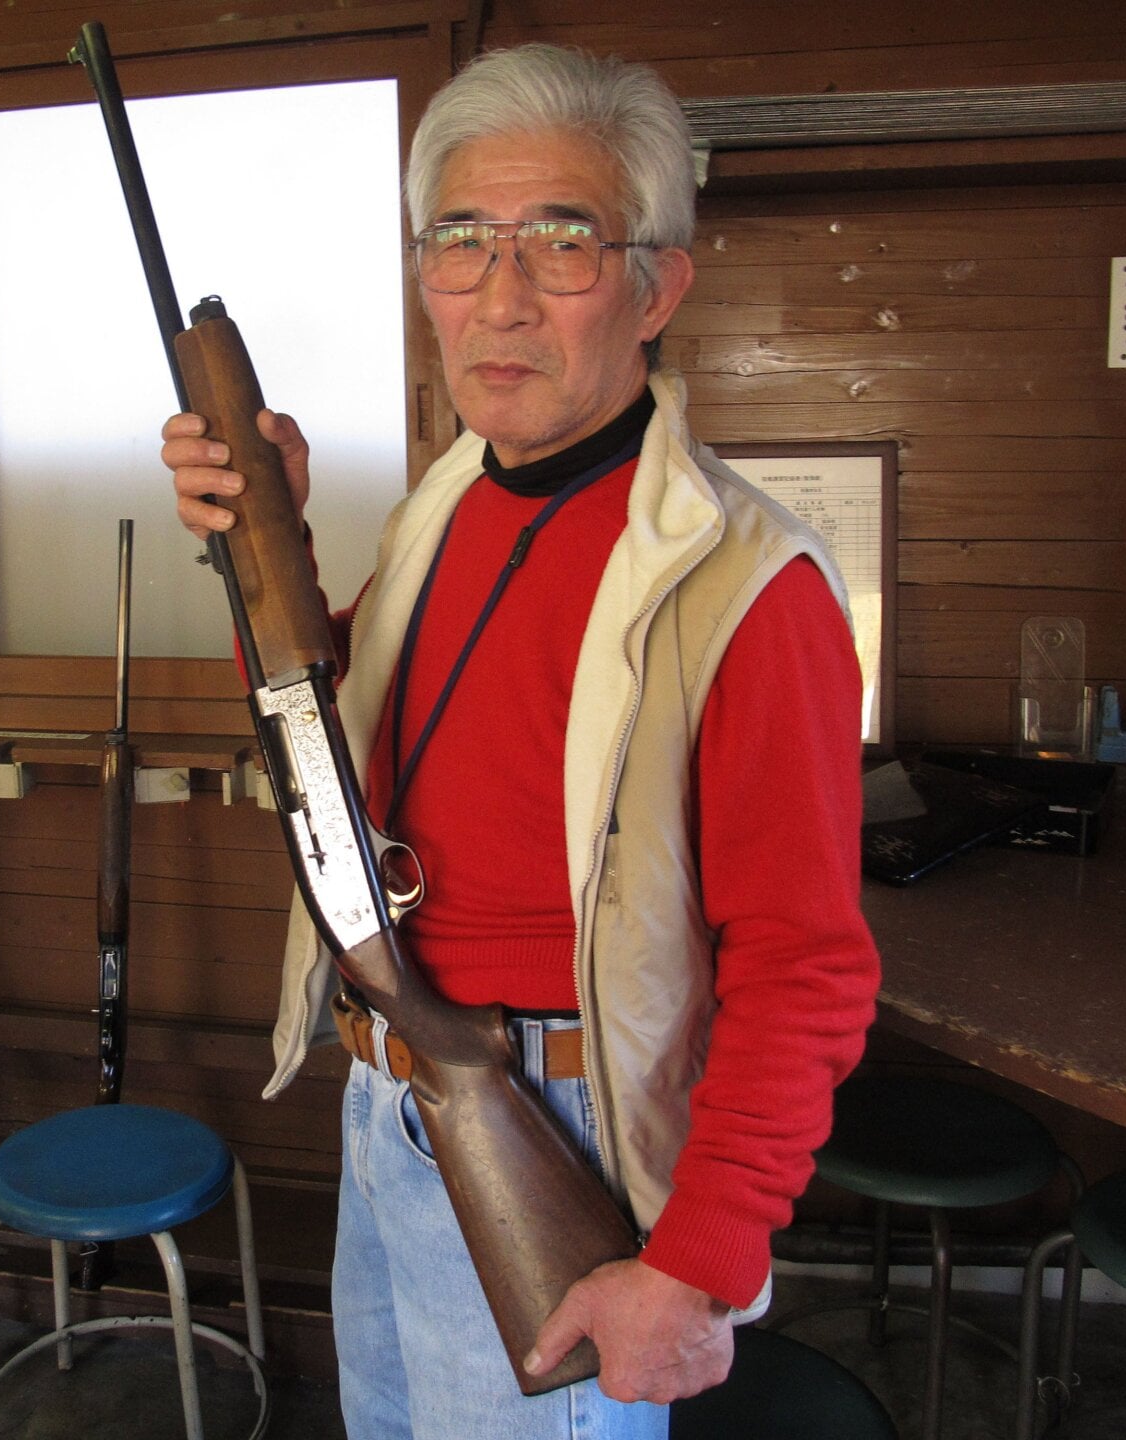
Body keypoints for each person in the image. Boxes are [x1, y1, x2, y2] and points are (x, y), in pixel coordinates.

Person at [161, 43, 881, 1439]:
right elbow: (333, 732)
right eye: (460, 243)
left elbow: (805, 969)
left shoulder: (749, 583)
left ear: (657, 285)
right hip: (392, 1114)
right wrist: (265, 546)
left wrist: (698, 1263)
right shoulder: (445, 513)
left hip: (562, 1142)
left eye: (561, 241)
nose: (499, 296)